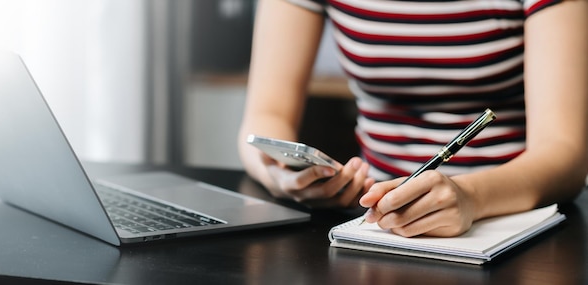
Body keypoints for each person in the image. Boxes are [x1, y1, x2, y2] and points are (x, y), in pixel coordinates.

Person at [237, 0, 588, 237]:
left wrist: (471, 197)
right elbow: (264, 116)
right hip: (376, 221)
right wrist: (280, 175)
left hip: (510, 220)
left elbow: (566, 152)